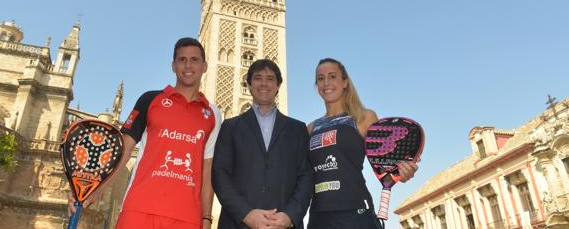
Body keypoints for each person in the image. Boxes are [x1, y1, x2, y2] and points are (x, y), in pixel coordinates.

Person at [68, 37, 222, 229]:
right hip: (139, 209)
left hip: (187, 216)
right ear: (173, 65)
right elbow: (122, 151)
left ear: (205, 66)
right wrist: (95, 189)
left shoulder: (213, 114)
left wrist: (206, 219)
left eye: (194, 59)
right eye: (182, 60)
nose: (188, 65)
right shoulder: (150, 100)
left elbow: (208, 171)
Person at [307, 58, 418, 229]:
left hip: (355, 213)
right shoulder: (310, 128)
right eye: (320, 78)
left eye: (332, 76)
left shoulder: (364, 118)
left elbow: (386, 172)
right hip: (318, 217)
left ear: (344, 82)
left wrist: (403, 173)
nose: (326, 82)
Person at [212, 59, 312, 229]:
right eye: (258, 78)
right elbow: (220, 175)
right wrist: (246, 213)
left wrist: (289, 215)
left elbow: (306, 176)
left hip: (283, 224)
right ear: (249, 84)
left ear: (278, 85)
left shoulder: (297, 129)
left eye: (270, 78)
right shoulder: (230, 127)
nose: (264, 83)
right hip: (238, 223)